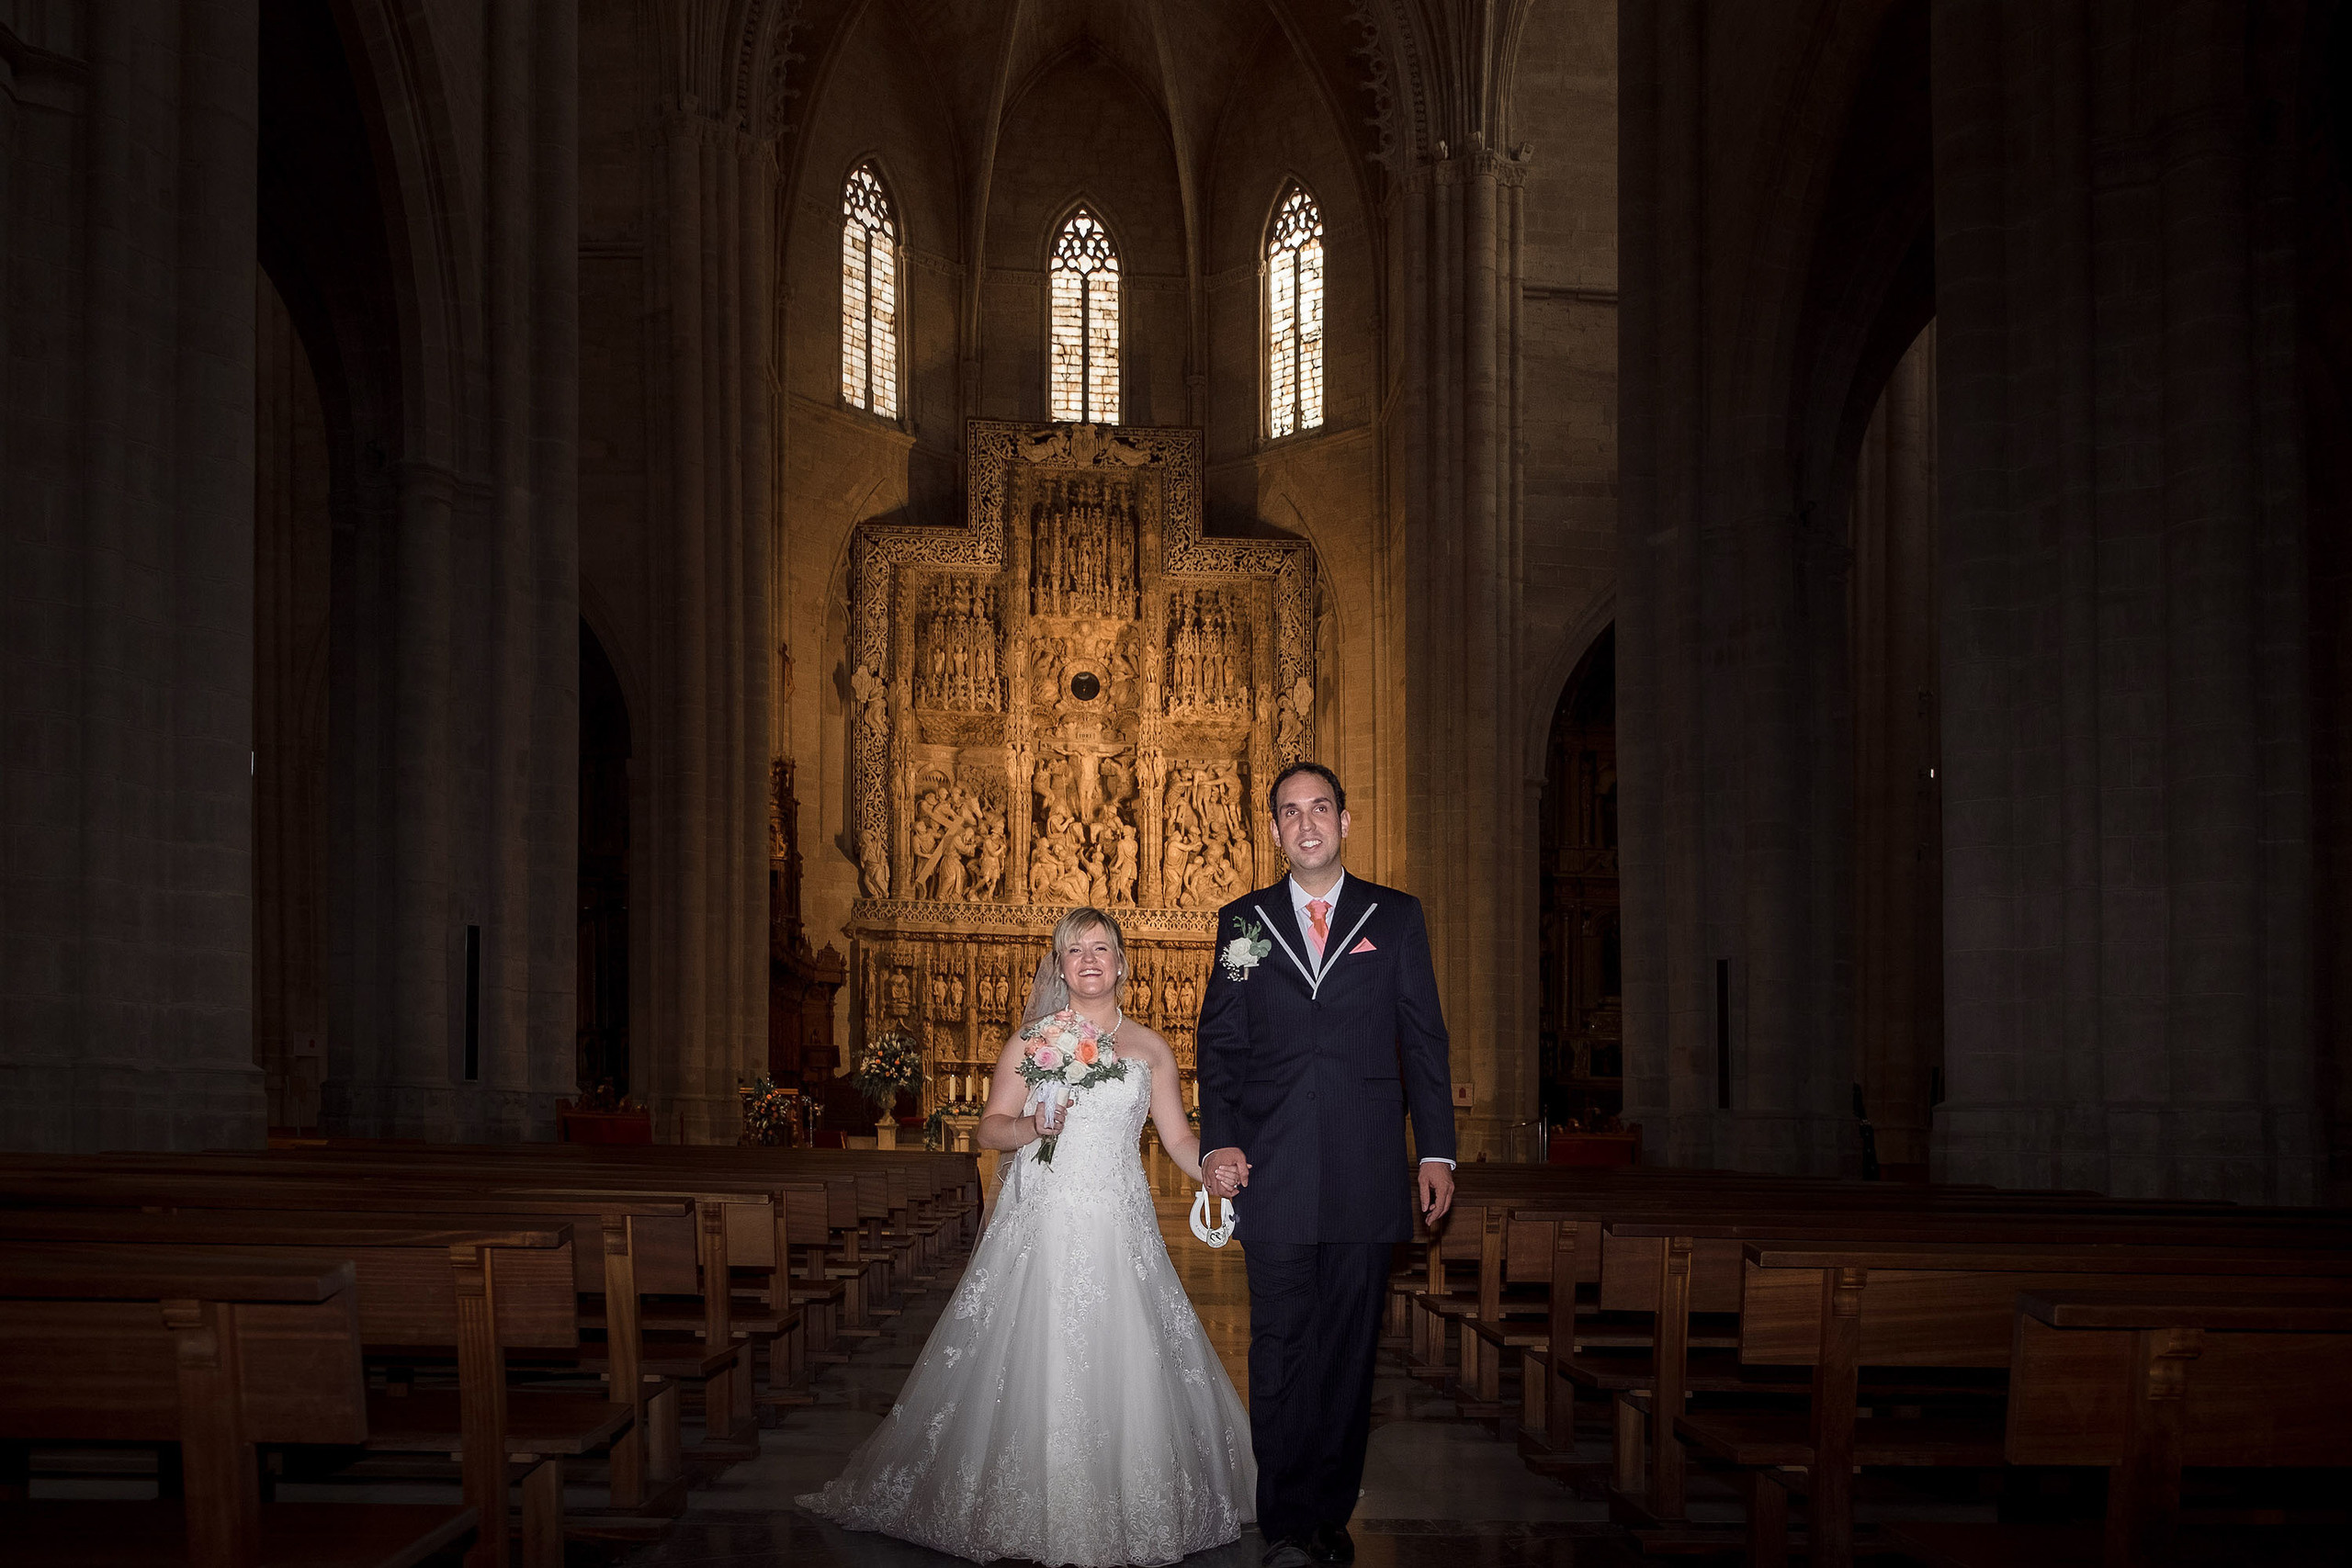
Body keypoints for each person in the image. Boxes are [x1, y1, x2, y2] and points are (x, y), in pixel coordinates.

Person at [799, 907, 1255, 1566]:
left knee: (1125, 1353)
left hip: (1118, 1222)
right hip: (1042, 1220)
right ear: (1059, 965)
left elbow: (1179, 1137)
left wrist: (1211, 1166)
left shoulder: (1152, 1048)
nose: (1090, 959)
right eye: (1076, 950)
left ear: (1123, 962)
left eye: (1102, 948)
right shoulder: (1031, 1041)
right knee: (1034, 1353)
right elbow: (990, 1128)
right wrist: (1032, 1128)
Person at [1196, 762, 1456, 1568]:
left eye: (1319, 809)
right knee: (1279, 1346)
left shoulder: (1397, 917)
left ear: (1346, 821)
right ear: (1273, 831)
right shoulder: (1243, 921)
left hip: (1365, 1168)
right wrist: (1219, 1141)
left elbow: (1423, 1039)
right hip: (1271, 1173)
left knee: (1346, 1351)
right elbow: (1221, 1044)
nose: (1305, 823)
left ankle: (1328, 1513)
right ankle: (1283, 1517)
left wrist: (1437, 1147)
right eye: (1289, 812)